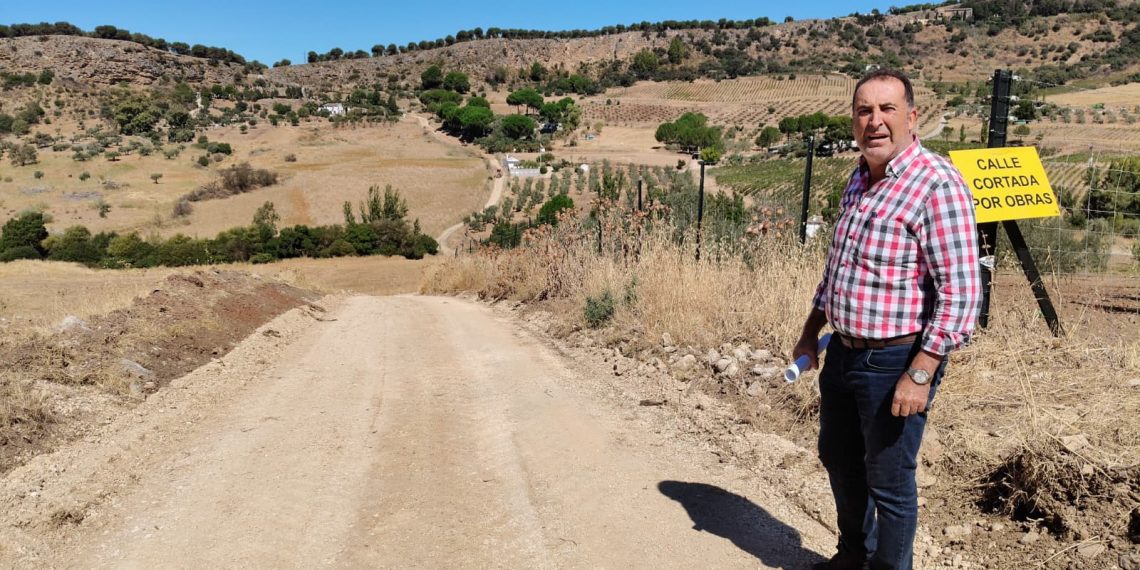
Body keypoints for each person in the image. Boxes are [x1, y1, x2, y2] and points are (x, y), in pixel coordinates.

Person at [793, 68, 981, 570]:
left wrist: (920, 372)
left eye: (887, 109)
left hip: (896, 359)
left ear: (912, 118)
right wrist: (810, 333)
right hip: (842, 352)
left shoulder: (936, 184)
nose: (875, 121)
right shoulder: (858, 180)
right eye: (864, 111)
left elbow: (961, 292)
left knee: (890, 482)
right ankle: (853, 557)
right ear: (854, 122)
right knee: (839, 461)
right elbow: (837, 272)